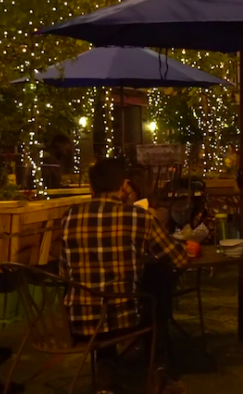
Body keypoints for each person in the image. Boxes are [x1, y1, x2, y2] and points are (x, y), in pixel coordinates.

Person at [60, 158, 188, 394]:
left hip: (79, 319)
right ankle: (158, 369)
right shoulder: (138, 217)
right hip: (124, 318)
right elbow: (178, 259)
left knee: (102, 295)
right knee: (155, 287)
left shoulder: (70, 216)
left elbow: (64, 271)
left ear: (91, 187)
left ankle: (106, 377)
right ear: (123, 185)